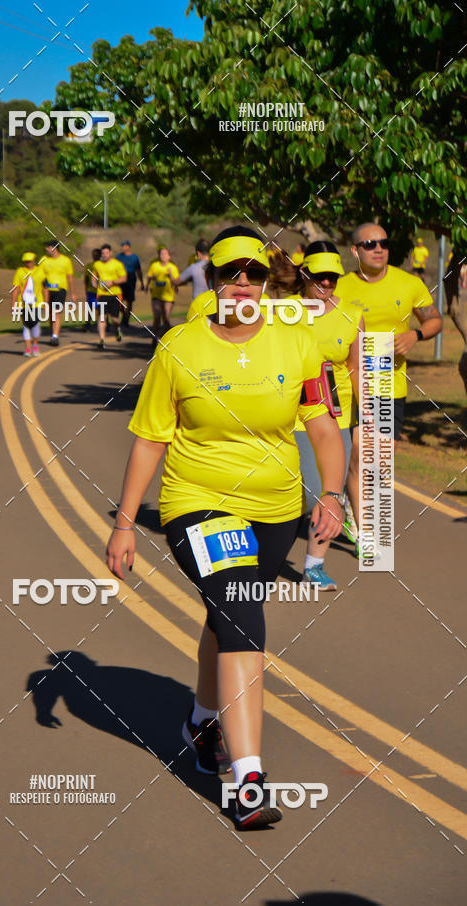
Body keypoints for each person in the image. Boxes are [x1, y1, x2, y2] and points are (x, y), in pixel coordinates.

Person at [106, 225, 345, 830]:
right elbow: (149, 439)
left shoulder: (299, 345)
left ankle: (201, 720)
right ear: (210, 280)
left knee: (227, 612)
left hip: (276, 511)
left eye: (255, 273)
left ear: (268, 281)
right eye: (230, 273)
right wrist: (126, 523)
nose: (243, 283)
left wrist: (335, 494)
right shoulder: (180, 347)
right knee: (242, 616)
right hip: (199, 502)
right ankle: (247, 782)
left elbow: (322, 428)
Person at [284, 241, 363, 591]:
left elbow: (357, 368)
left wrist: (369, 419)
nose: (327, 284)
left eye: (332, 278)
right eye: (320, 277)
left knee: (328, 490)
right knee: (298, 490)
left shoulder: (353, 314)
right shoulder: (284, 311)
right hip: (289, 412)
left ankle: (313, 566)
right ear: (304, 275)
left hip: (336, 414)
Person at [337, 223, 442, 445]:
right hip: (347, 386)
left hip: (387, 385)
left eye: (384, 244)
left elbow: (435, 320)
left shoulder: (410, 284)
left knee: (379, 462)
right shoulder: (339, 288)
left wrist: (415, 335)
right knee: (353, 455)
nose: (378, 249)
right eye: (370, 244)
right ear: (355, 250)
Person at [40, 238, 75, 346]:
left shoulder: (65, 260)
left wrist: (73, 293)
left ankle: (55, 336)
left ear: (54, 248)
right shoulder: (44, 260)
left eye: (48, 247)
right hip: (47, 290)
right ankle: (53, 334)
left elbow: (70, 278)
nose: (46, 249)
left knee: (57, 313)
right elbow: (40, 276)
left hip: (60, 290)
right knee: (50, 315)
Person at [91, 244, 127, 349]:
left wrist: (112, 282)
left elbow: (124, 278)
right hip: (102, 294)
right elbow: (94, 277)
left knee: (115, 319)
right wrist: (94, 283)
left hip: (115, 294)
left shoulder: (117, 264)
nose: (105, 255)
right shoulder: (97, 264)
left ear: (110, 253)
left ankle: (117, 330)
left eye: (107, 253)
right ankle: (102, 340)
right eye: (103, 253)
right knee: (102, 317)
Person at [12, 252, 44, 357]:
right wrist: (14, 303)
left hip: (37, 303)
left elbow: (45, 288)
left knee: (35, 325)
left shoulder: (40, 271)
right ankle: (28, 349)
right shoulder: (20, 271)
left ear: (34, 260)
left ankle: (35, 345)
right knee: (26, 326)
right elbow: (16, 288)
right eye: (26, 261)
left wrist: (46, 303)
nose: (28, 263)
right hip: (23, 304)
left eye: (29, 261)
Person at [146, 246, 179, 345]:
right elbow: (149, 276)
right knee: (156, 317)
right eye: (161, 254)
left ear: (169, 256)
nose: (163, 256)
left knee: (166, 318)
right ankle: (154, 338)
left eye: (165, 254)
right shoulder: (154, 266)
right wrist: (147, 286)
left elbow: (176, 281)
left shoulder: (172, 267)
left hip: (168, 296)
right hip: (156, 295)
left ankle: (167, 339)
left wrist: (171, 275)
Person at [116, 240, 143, 328]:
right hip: (120, 284)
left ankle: (126, 320)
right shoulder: (118, 257)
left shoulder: (134, 257)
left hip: (131, 282)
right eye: (121, 246)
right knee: (118, 302)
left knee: (129, 302)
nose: (122, 247)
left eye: (123, 246)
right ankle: (124, 315)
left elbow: (138, 270)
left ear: (128, 246)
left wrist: (142, 283)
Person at [83, 248, 101, 332]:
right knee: (89, 308)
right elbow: (86, 279)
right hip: (91, 291)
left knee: (100, 308)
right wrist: (86, 290)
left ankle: (102, 324)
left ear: (100, 255)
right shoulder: (88, 265)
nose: (95, 256)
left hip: (101, 291)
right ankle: (87, 324)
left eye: (97, 254)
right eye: (93, 254)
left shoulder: (103, 265)